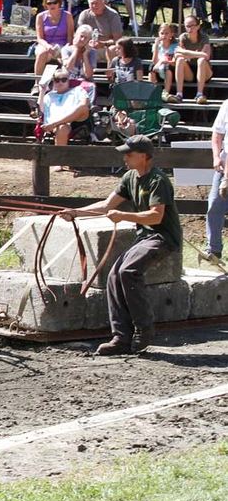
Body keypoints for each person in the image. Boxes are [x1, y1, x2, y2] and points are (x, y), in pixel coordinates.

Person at [58, 135, 182, 355]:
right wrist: (75, 213)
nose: (125, 157)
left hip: (163, 238)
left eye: (129, 154)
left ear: (144, 156)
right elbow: (107, 205)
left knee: (128, 271)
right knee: (115, 275)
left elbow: (156, 217)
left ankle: (144, 329)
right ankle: (121, 338)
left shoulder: (158, 180)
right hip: (145, 238)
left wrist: (123, 215)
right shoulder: (129, 177)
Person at [39, 67, 90, 146]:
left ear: (68, 81)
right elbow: (42, 110)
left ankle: (56, 123)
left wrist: (55, 123)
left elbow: (85, 105)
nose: (60, 82)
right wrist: (42, 90)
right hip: (55, 124)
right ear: (53, 82)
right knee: (62, 127)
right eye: (57, 80)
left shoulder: (78, 90)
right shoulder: (49, 95)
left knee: (83, 107)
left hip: (75, 121)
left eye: (63, 79)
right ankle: (59, 156)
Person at [205, 99, 228, 260]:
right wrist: (215, 157)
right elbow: (217, 135)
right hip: (224, 166)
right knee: (214, 205)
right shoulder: (226, 105)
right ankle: (213, 250)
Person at [33, 0, 73, 77]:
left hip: (63, 45)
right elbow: (39, 38)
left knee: (66, 55)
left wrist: (66, 48)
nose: (52, 5)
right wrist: (48, 46)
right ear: (45, 4)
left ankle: (66, 82)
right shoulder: (40, 16)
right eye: (49, 3)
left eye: (54, 2)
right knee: (42, 53)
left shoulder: (67, 16)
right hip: (46, 45)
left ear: (59, 3)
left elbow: (70, 37)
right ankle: (37, 83)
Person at [173, 15, 212, 105]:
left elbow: (206, 56)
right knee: (180, 60)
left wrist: (186, 53)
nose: (190, 28)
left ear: (198, 26)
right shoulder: (183, 37)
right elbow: (177, 54)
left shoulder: (204, 37)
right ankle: (179, 94)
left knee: (201, 60)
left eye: (192, 25)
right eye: (187, 26)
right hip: (189, 70)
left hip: (205, 71)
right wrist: (197, 54)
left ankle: (199, 94)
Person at [76, 0, 122, 65]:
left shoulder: (113, 15)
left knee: (112, 49)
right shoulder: (84, 15)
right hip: (88, 46)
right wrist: (89, 43)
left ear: (103, 2)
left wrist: (103, 44)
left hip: (106, 47)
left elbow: (118, 39)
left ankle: (110, 74)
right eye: (92, 3)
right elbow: (79, 35)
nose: (94, 6)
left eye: (96, 3)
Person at [149, 22, 178, 101]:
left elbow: (174, 62)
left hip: (170, 70)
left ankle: (166, 92)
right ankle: (152, 92)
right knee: (151, 67)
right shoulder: (157, 46)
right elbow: (154, 61)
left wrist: (162, 61)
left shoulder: (175, 46)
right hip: (159, 70)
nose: (164, 35)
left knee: (167, 67)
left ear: (171, 34)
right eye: (162, 33)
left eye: (166, 33)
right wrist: (155, 47)